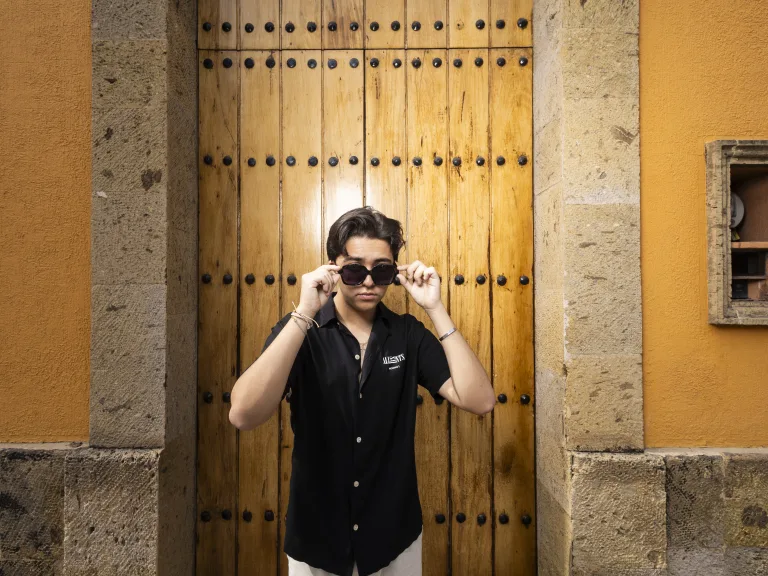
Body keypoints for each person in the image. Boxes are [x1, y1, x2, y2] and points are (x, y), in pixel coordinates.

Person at [229, 206, 496, 576]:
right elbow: (243, 415)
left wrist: (435, 308)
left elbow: (480, 400)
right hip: (317, 538)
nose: (369, 282)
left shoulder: (407, 334)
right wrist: (304, 313)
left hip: (392, 537)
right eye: (355, 270)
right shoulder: (301, 332)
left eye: (382, 270)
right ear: (333, 269)